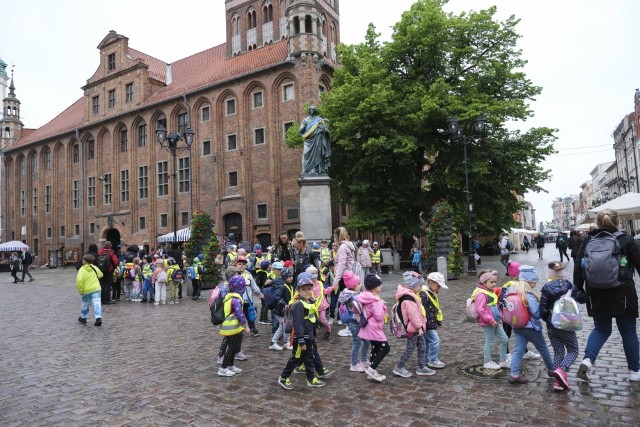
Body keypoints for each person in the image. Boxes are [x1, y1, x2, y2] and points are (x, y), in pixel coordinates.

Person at [573, 208, 640, 382]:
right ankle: (634, 371)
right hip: (623, 292)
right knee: (628, 332)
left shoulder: (588, 240)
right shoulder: (626, 239)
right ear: (618, 222)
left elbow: (578, 267)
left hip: (595, 291)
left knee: (601, 329)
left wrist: (578, 288)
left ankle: (588, 360)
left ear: (597, 223)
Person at [503, 265, 569, 388]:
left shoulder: (512, 290)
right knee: (543, 348)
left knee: (518, 350)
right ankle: (551, 370)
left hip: (517, 326)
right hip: (531, 327)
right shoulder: (528, 294)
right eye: (534, 282)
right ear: (529, 281)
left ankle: (514, 374)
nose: (535, 285)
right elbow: (536, 312)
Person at [277, 274, 332, 390]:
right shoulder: (298, 305)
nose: (307, 292)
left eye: (309, 289)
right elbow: (298, 324)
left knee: (309, 358)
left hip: (309, 337)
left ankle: (311, 379)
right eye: (304, 289)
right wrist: (301, 340)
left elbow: (312, 319)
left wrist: (315, 331)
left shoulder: (310, 301)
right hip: (301, 338)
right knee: (295, 359)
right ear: (298, 291)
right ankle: (283, 377)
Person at [539, 261, 580, 391]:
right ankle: (562, 370)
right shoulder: (568, 285)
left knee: (558, 351)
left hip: (552, 326)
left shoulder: (546, 288)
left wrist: (548, 320)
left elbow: (543, 309)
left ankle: (558, 381)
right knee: (573, 350)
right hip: (566, 325)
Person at [392, 271, 429, 378]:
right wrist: (419, 327)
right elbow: (413, 315)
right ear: (413, 286)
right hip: (413, 329)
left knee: (422, 346)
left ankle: (421, 367)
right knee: (410, 348)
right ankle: (399, 367)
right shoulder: (409, 299)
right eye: (420, 286)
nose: (421, 288)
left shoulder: (412, 295)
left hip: (417, 328)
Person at [471, 270, 510, 370]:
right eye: (492, 282)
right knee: (489, 342)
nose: (494, 284)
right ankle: (487, 361)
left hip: (495, 321)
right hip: (488, 322)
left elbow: (495, 306)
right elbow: (481, 309)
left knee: (504, 339)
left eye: (495, 282)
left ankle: (503, 360)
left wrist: (499, 317)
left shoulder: (490, 292)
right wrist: (490, 320)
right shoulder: (481, 294)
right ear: (484, 283)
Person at [357, 273, 390, 382]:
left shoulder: (366, 296)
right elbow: (379, 316)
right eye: (379, 285)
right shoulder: (375, 300)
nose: (381, 287)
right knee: (385, 348)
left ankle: (371, 370)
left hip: (368, 327)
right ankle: (371, 369)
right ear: (374, 288)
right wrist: (383, 307)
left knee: (375, 347)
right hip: (374, 328)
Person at [218, 275, 251, 377]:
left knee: (233, 347)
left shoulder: (231, 296)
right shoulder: (236, 299)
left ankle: (230, 365)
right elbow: (239, 314)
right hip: (230, 328)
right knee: (231, 348)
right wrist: (246, 326)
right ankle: (223, 368)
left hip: (232, 327)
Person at [337, 271, 370, 372]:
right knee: (357, 342)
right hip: (354, 323)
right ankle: (354, 364)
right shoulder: (353, 297)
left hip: (355, 322)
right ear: (353, 286)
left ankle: (364, 360)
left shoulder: (347, 294)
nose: (360, 285)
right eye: (358, 284)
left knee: (366, 341)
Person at [423, 272, 448, 370]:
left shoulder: (430, 292)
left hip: (429, 322)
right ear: (431, 283)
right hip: (427, 323)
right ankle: (433, 360)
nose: (439, 288)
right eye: (439, 286)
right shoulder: (424, 294)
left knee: (427, 342)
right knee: (434, 340)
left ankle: (425, 360)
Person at [299, 105, 331, 175]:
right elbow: (301, 130)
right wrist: (302, 128)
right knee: (306, 154)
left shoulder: (319, 119)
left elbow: (324, 128)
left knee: (318, 155)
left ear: (315, 111)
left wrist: (325, 130)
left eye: (313, 109)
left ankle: (318, 171)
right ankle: (307, 171)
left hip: (317, 139)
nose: (311, 111)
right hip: (308, 141)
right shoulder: (305, 120)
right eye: (310, 109)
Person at [269, 267, 294, 351]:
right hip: (280, 310)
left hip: (286, 310)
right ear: (285, 277)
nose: (292, 278)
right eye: (290, 276)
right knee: (285, 325)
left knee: (283, 326)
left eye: (292, 276)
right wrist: (284, 304)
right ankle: (279, 342)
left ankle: (280, 342)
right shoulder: (282, 286)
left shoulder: (289, 285)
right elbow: (277, 296)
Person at [76, 254, 103, 326]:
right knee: (97, 303)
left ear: (85, 261)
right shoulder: (94, 267)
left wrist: (80, 290)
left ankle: (83, 317)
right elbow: (100, 275)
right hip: (96, 288)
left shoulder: (82, 269)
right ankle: (98, 318)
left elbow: (79, 281)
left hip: (86, 290)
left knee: (85, 303)